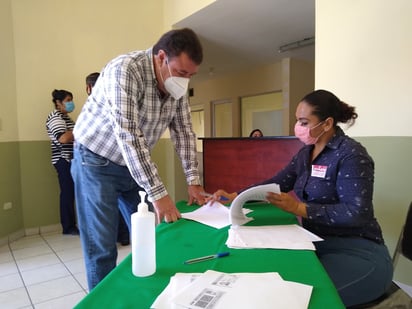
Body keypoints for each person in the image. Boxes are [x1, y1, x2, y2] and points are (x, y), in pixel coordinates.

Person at [211, 90, 393, 307]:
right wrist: (238, 195)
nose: (298, 126)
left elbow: (356, 213)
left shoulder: (351, 155)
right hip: (316, 243)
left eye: (304, 121)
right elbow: (278, 182)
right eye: (298, 120)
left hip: (359, 253)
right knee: (275, 282)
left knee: (298, 299)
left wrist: (301, 209)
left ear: (327, 124)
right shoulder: (306, 153)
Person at [71, 28, 208, 290]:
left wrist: (193, 180)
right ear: (160, 58)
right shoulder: (124, 70)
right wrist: (159, 193)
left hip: (130, 166)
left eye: (191, 75)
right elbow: (129, 136)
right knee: (101, 246)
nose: (185, 81)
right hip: (95, 162)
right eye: (181, 72)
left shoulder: (175, 89)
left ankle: (145, 290)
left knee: (148, 235)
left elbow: (184, 132)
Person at [85, 71, 130, 246]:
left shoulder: (91, 108)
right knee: (121, 207)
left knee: (103, 215)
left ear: (88, 88)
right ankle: (123, 236)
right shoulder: (118, 100)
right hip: (121, 160)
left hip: (100, 164)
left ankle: (119, 237)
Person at [46, 89, 79, 235]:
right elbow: (63, 138)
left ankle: (72, 225)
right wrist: (80, 129)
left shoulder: (66, 118)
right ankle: (68, 227)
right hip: (63, 160)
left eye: (71, 100)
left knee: (72, 192)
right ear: (58, 103)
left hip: (71, 160)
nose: (71, 103)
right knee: (67, 193)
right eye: (67, 100)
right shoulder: (55, 117)